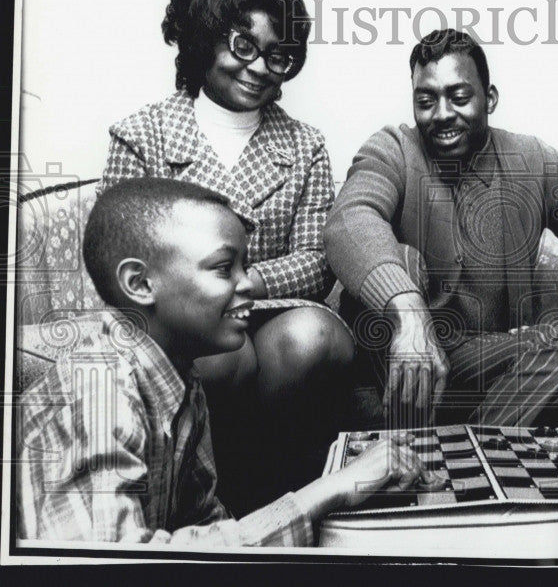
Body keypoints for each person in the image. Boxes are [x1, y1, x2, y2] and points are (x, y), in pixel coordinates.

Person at [17, 178, 422, 545]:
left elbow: (207, 528)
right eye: (224, 268)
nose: (248, 283)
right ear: (139, 284)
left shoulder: (181, 383)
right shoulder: (97, 391)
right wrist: (329, 489)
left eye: (244, 265)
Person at [98, 0, 353, 509]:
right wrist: (206, 292)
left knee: (312, 337)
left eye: (278, 55)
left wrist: (243, 283)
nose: (259, 67)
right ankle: (223, 501)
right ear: (202, 43)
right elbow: (115, 256)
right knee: (220, 357)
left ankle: (275, 495)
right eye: (243, 45)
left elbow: (316, 263)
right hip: (184, 317)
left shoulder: (306, 145)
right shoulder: (142, 134)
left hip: (272, 311)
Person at [324, 29, 558, 427]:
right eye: (426, 100)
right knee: (404, 259)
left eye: (458, 97)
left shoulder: (534, 160)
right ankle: (442, 437)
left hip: (487, 356)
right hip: (400, 357)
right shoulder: (393, 149)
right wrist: (408, 312)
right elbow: (350, 219)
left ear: (489, 99)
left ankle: (472, 451)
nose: (441, 114)